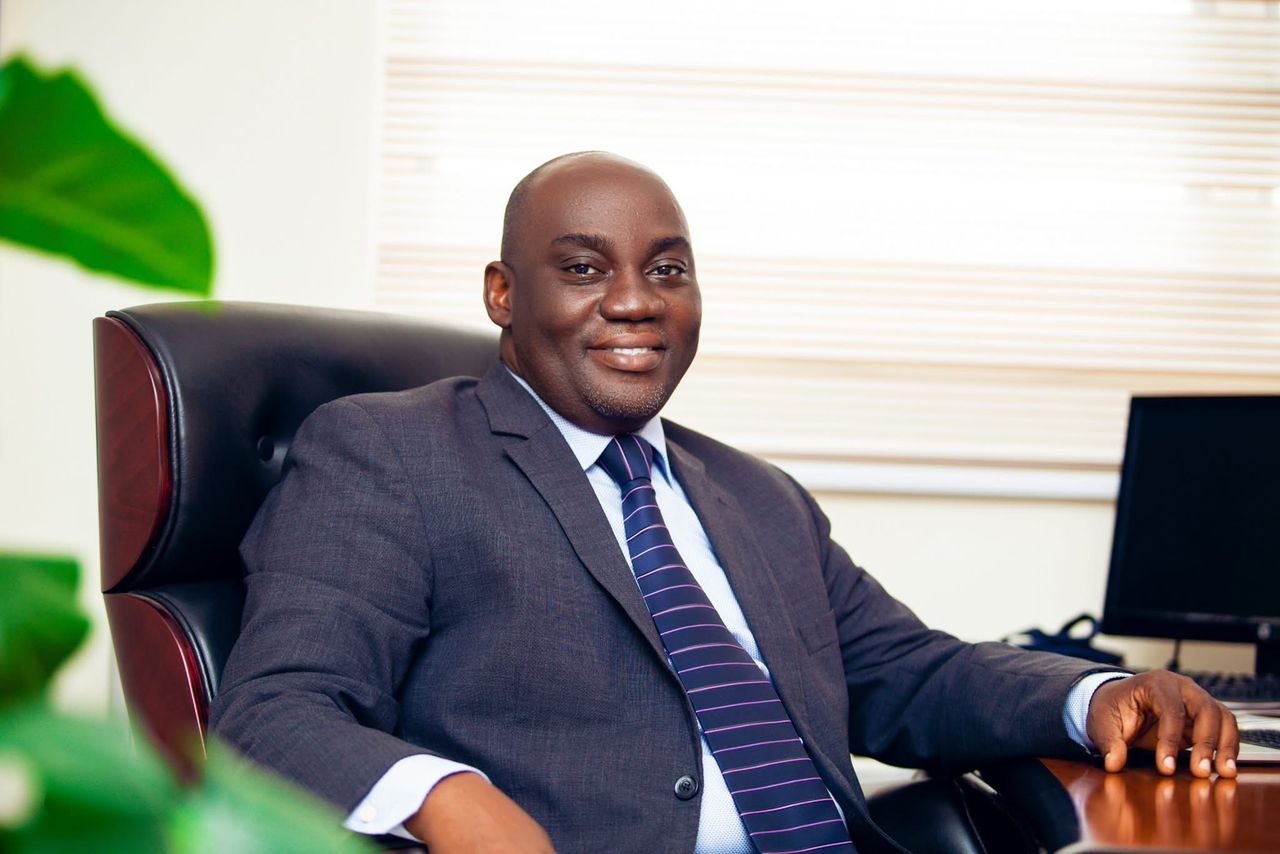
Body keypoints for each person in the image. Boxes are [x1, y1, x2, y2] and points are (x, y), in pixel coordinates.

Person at [211, 152, 1239, 854]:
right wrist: (446, 796)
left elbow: (906, 673)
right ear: (502, 293)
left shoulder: (756, 494)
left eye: (666, 269)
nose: (634, 300)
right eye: (582, 267)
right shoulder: (391, 452)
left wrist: (1095, 695)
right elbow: (275, 711)